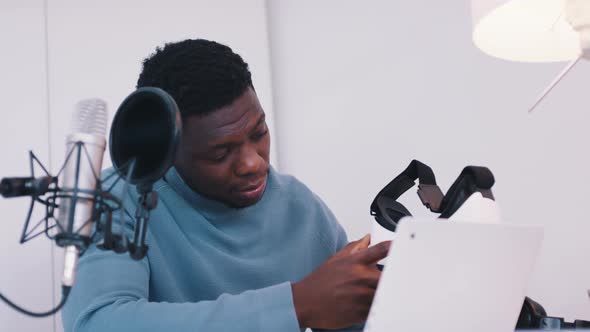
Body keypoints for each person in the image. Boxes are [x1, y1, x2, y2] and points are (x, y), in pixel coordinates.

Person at [62, 39, 391, 332]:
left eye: (258, 133)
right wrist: (295, 305)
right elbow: (98, 322)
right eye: (220, 152)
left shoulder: (301, 209)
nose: (254, 163)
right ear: (166, 151)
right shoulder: (119, 199)